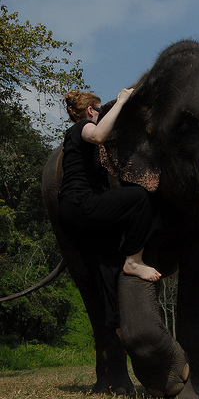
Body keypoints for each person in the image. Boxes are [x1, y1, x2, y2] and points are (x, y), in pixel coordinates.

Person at [58, 88, 161, 328]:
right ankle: (134, 261)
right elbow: (98, 136)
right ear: (90, 110)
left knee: (106, 261)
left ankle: (113, 325)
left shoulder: (72, 139)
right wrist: (122, 101)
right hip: (80, 203)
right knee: (139, 197)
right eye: (99, 110)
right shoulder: (82, 127)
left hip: (72, 209)